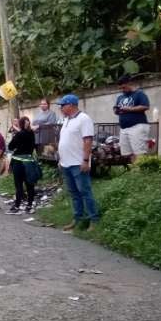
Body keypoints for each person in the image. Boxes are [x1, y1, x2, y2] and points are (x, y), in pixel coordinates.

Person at [57, 93, 99, 231]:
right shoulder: (66, 120)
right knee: (74, 194)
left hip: (78, 163)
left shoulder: (84, 119)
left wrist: (86, 160)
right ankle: (78, 218)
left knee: (85, 192)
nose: (61, 108)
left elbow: (88, 141)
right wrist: (61, 159)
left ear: (71, 105)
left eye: (62, 105)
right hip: (66, 163)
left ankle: (94, 219)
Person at [114, 75, 151, 163]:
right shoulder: (120, 97)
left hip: (137, 126)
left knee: (139, 151)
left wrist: (129, 109)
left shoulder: (139, 94)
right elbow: (117, 109)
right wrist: (116, 111)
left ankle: (141, 171)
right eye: (120, 88)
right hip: (124, 128)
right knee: (128, 152)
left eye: (124, 87)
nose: (122, 90)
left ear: (129, 83)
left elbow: (145, 106)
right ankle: (134, 171)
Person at [7, 117, 37, 215]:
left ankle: (17, 206)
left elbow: (10, 146)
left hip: (18, 162)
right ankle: (29, 205)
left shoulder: (19, 134)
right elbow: (33, 147)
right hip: (29, 161)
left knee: (18, 184)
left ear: (20, 124)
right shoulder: (32, 133)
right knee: (30, 184)